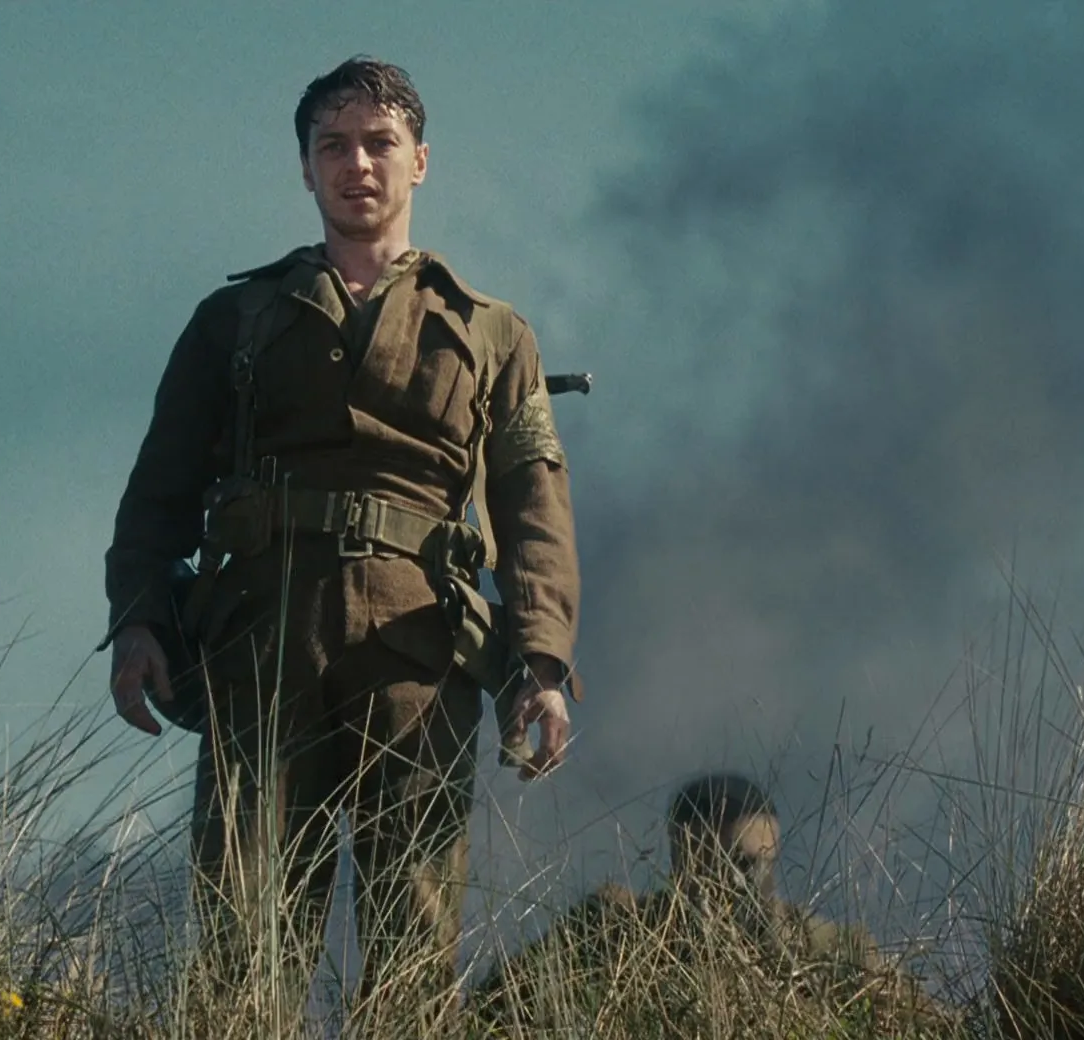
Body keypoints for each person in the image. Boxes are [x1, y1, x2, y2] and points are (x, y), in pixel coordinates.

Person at [98, 56, 581, 1028]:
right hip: (262, 640)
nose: (357, 163)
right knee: (243, 929)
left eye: (379, 143)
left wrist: (542, 659)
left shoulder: (492, 334)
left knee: (415, 932)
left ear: (420, 161)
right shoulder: (235, 321)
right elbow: (159, 490)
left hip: (418, 649)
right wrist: (140, 619)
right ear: (306, 168)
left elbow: (534, 505)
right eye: (334, 145)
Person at [472, 773, 948, 1033]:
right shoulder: (617, 929)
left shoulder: (826, 947)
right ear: (683, 860)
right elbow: (493, 1007)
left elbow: (932, 1024)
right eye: (731, 864)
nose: (748, 882)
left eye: (760, 864)